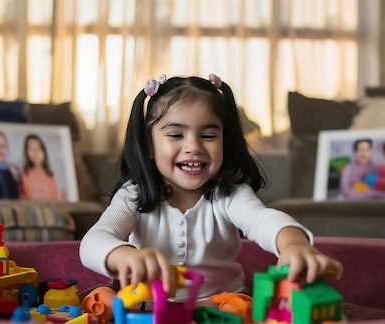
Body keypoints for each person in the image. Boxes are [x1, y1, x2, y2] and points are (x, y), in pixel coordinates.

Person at [79, 74, 343, 302]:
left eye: (208, 135)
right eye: (175, 135)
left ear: (224, 142)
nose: (194, 146)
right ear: (149, 144)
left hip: (222, 306)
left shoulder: (230, 195)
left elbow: (263, 220)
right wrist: (123, 255)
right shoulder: (133, 195)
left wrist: (294, 244)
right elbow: (93, 241)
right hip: (150, 308)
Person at [20, 134, 60, 200]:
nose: (35, 152)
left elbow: (54, 198)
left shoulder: (50, 174)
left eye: (38, 148)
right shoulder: (23, 173)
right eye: (31, 148)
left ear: (44, 151)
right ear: (26, 152)